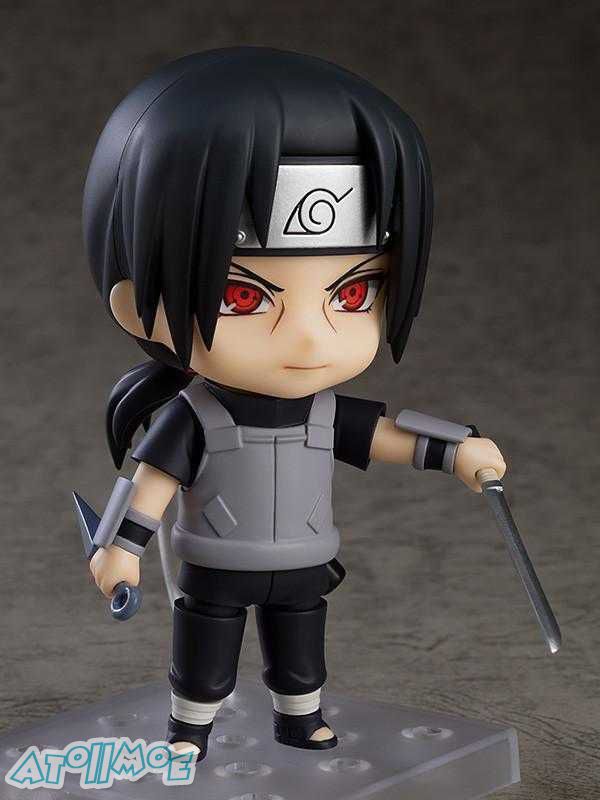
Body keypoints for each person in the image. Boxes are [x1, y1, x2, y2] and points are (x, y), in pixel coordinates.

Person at [81, 47, 506, 762]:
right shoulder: (195, 418)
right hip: (215, 564)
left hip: (306, 564)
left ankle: (300, 717)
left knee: (301, 650)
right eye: (243, 296)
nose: (310, 337)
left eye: (353, 292)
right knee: (205, 652)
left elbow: (388, 437)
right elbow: (150, 485)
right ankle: (190, 728)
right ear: (135, 302)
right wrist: (120, 549)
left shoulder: (322, 412)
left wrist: (456, 450)